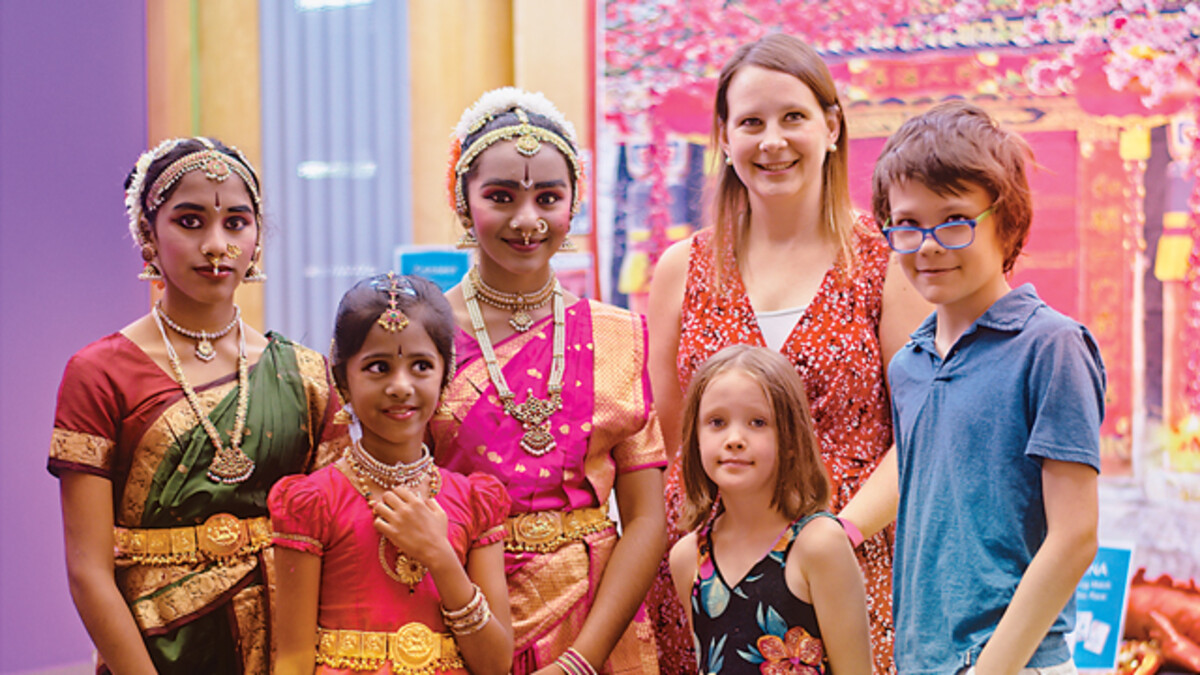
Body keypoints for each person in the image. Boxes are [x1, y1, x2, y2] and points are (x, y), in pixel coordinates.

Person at [645, 33, 928, 674]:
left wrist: (837, 537)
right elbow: (670, 442)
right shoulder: (680, 269)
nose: (772, 141)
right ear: (724, 137)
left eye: (793, 117)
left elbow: (920, 433)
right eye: (751, 122)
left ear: (831, 127)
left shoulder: (887, 264)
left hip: (852, 567)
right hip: (713, 573)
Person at [48, 137, 347, 674]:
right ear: (148, 234)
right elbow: (87, 571)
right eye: (190, 222)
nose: (217, 245)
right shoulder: (98, 373)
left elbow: (335, 547)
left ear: (256, 238)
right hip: (155, 649)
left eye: (236, 222)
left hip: (290, 651)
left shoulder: (306, 376)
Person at [430, 87, 666, 675]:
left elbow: (646, 518)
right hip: (460, 607)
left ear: (574, 204)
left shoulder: (617, 335)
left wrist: (584, 659)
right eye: (501, 197)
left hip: (594, 619)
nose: (527, 220)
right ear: (463, 202)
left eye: (548, 197)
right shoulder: (419, 332)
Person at [872, 100, 1104, 674]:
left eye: (953, 220)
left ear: (1007, 220)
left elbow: (1075, 537)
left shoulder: (1051, 346)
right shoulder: (908, 364)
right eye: (906, 224)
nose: (927, 244)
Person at [270, 273, 513, 675]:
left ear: (445, 375)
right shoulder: (312, 503)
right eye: (378, 367)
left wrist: (441, 555)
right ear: (342, 379)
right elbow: (293, 660)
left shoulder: (474, 501)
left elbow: (495, 664)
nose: (401, 386)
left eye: (421, 366)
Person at [669, 345, 872, 675]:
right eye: (717, 422)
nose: (735, 438)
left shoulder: (819, 544)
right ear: (695, 437)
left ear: (791, 441)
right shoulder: (687, 558)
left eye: (758, 422)